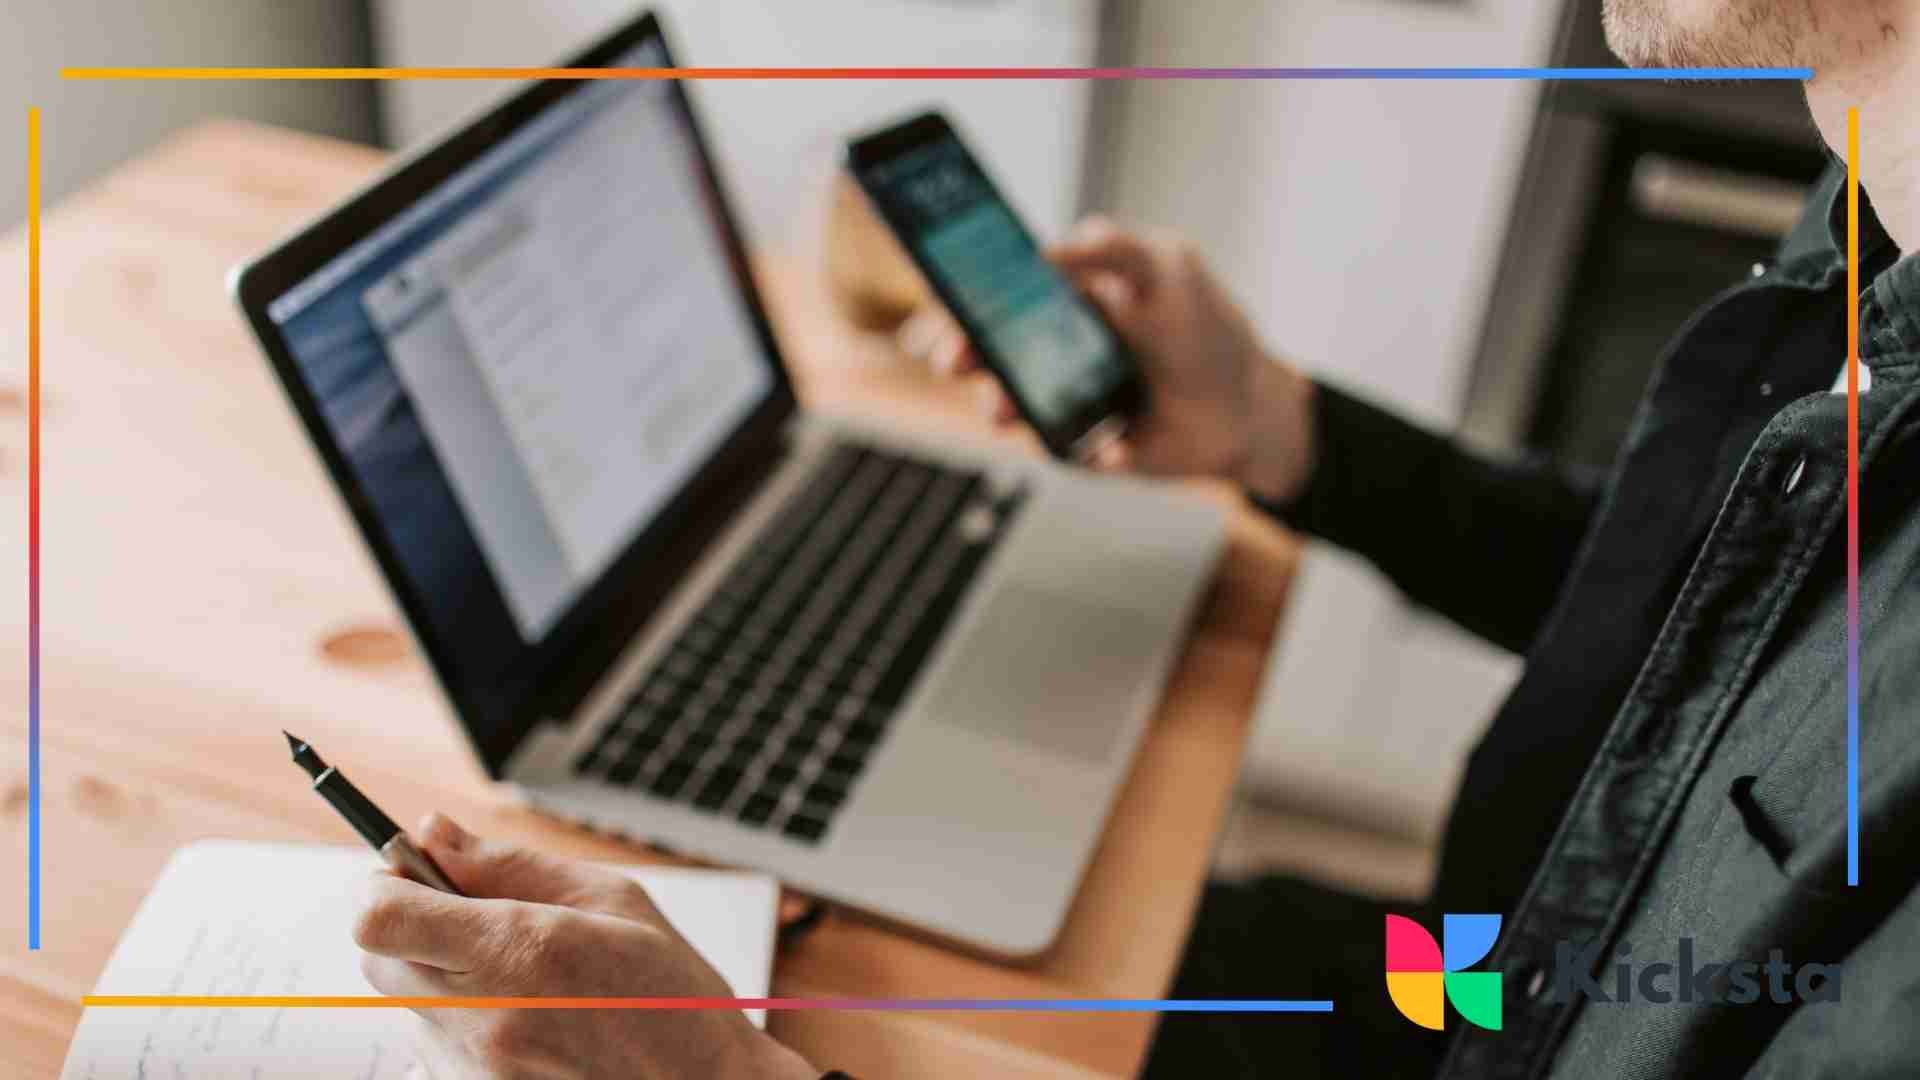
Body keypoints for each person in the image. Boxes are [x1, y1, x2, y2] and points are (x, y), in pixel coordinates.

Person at [350, 0, 1920, 1075]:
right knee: (1163, 935)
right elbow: (1703, 614)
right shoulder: (1867, 188)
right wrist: (1284, 430)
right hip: (1487, 973)